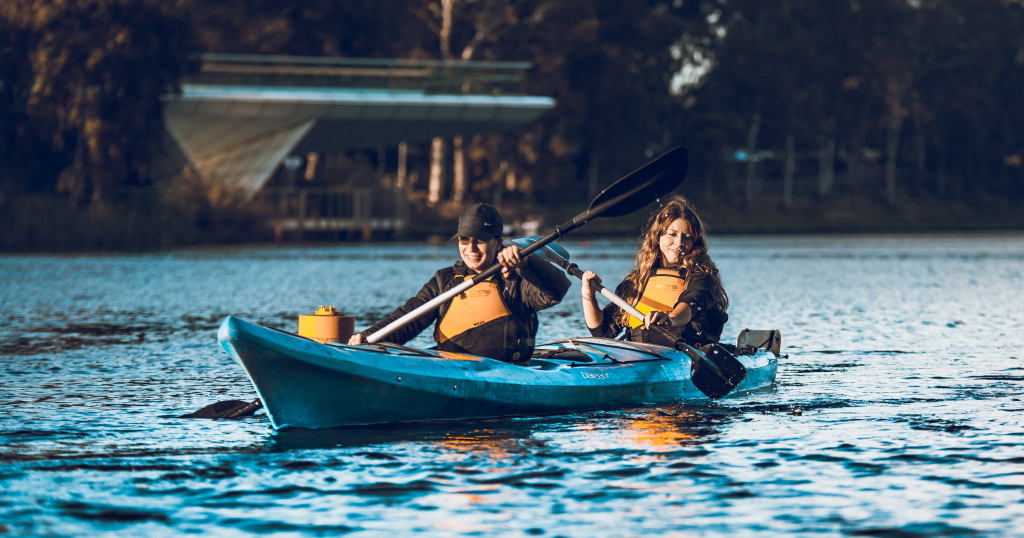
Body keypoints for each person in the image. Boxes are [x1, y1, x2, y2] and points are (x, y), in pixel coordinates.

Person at [349, 203, 570, 363]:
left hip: (507, 373)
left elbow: (556, 291)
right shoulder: (444, 280)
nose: (470, 249)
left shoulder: (517, 279)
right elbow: (408, 319)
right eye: (464, 240)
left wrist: (527, 263)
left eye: (480, 240)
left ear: (498, 242)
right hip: (452, 369)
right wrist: (367, 339)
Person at [581, 195, 728, 348]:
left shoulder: (702, 277)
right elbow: (602, 332)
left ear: (695, 242)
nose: (679, 243)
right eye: (672, 234)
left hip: (685, 356)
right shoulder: (637, 282)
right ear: (658, 236)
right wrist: (588, 297)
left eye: (687, 237)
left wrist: (671, 320)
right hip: (639, 358)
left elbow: (692, 303)